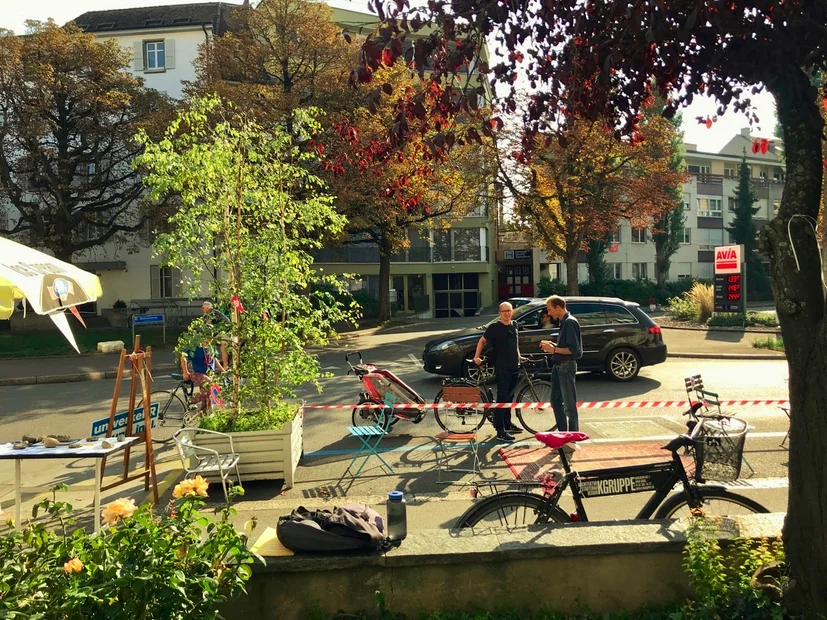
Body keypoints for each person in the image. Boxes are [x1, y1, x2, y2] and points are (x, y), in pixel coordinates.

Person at [473, 301, 523, 442]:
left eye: (509, 310)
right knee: (502, 399)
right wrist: (476, 356)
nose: (506, 313)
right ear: (499, 313)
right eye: (503, 311)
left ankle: (507, 424)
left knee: (510, 397)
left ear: (512, 311)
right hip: (502, 367)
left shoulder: (514, 325)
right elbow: (481, 341)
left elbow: (515, 343)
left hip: (514, 366)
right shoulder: (494, 328)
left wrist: (519, 356)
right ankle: (500, 430)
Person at [540, 296, 582, 431]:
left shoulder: (569, 322)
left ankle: (572, 436)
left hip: (566, 366)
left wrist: (553, 349)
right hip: (559, 366)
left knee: (569, 404)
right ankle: (563, 434)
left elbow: (573, 350)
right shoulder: (564, 322)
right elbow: (567, 347)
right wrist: (553, 346)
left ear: (558, 307)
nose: (549, 313)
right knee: (556, 401)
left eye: (550, 309)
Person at [181, 341, 225, 411]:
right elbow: (183, 356)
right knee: (211, 386)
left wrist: (224, 371)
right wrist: (185, 372)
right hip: (198, 373)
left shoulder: (211, 347)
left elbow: (214, 360)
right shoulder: (196, 348)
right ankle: (191, 400)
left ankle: (204, 415)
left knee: (208, 397)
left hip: (209, 374)